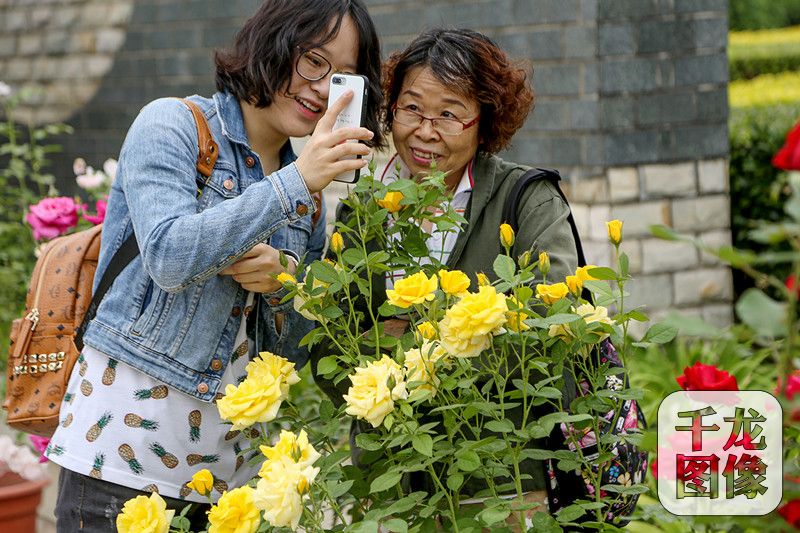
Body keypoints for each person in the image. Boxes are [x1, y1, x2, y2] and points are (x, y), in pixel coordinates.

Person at [46, 1, 383, 530]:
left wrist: (283, 285)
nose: (323, 87)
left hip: (235, 488)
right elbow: (170, 256)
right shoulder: (174, 124)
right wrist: (294, 184)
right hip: (119, 466)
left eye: (342, 74)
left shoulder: (311, 199)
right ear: (271, 44)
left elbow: (292, 353)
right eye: (313, 61)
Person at [311, 27, 579, 524]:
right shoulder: (364, 211)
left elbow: (551, 321)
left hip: (502, 486)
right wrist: (464, 333)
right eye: (411, 108)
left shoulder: (526, 199)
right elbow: (330, 341)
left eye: (449, 114)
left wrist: (405, 342)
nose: (426, 131)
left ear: (485, 121)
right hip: (391, 484)